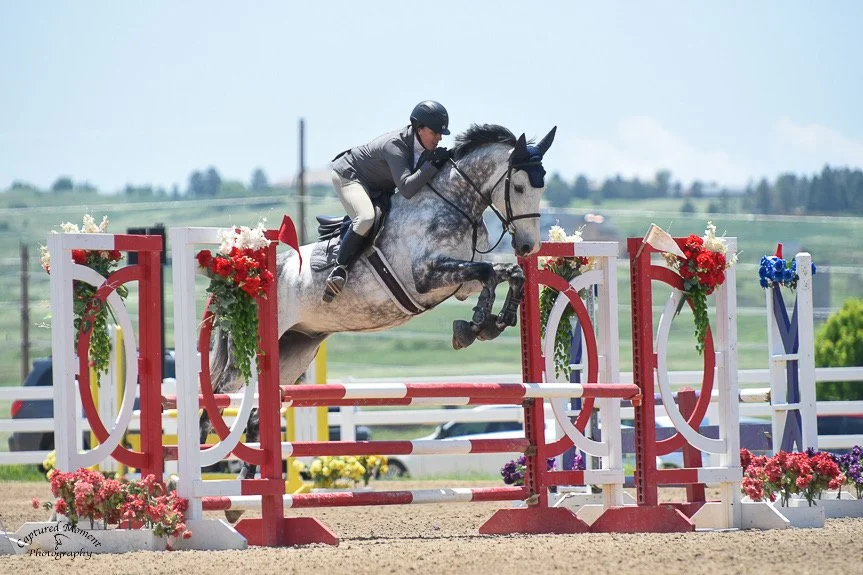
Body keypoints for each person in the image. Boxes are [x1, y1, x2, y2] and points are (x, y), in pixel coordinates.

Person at [323, 100, 452, 302]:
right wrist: (433, 165)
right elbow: (408, 188)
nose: (439, 138)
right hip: (351, 176)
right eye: (435, 132)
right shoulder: (396, 145)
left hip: (379, 186)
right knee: (366, 218)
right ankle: (339, 270)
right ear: (419, 128)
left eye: (441, 134)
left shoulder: (424, 147)